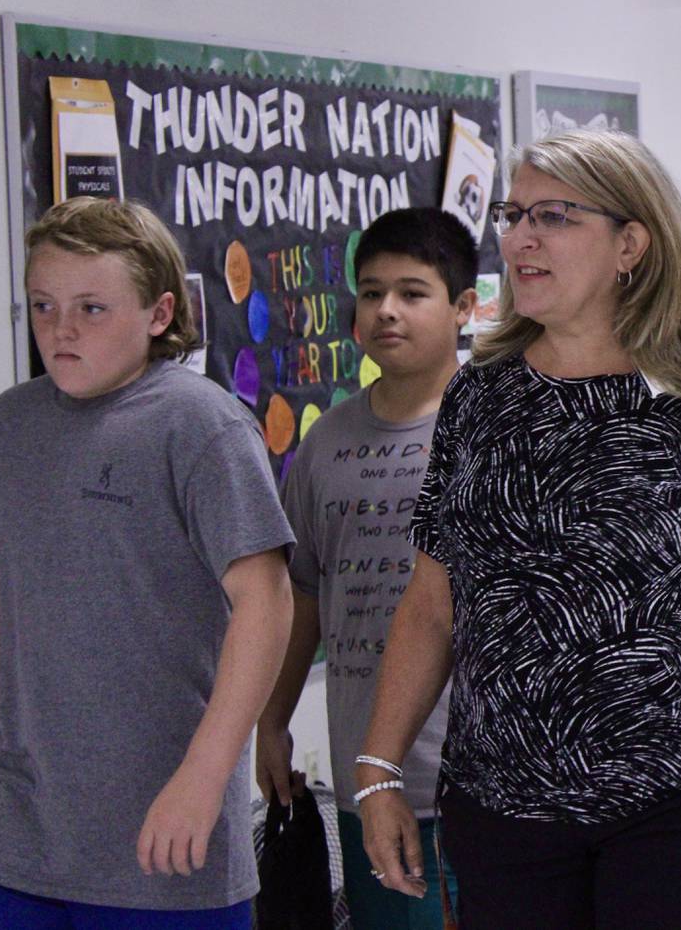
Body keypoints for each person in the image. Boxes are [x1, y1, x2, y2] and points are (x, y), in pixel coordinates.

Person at [351, 130, 681, 929]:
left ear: (632, 241)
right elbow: (432, 600)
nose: (520, 236)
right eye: (514, 213)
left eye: (554, 216)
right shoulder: (480, 399)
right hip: (509, 798)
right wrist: (379, 768)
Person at [0, 197, 295, 929]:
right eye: (42, 305)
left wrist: (206, 778)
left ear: (160, 312)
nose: (60, 328)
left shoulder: (201, 425)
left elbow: (266, 603)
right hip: (20, 825)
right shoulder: (12, 422)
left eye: (91, 308)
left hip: (168, 826)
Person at [256, 207, 478, 929]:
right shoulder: (326, 443)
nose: (387, 310)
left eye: (413, 292)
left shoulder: (493, 430)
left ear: (463, 307)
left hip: (480, 782)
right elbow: (303, 592)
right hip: (367, 778)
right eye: (372, 291)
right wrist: (273, 719)